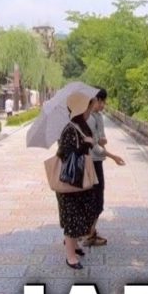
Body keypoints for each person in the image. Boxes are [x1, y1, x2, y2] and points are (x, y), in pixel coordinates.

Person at [55, 91, 100, 270]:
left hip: (78, 180)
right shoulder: (70, 128)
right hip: (70, 180)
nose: (92, 109)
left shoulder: (79, 125)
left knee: (79, 214)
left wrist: (87, 142)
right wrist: (86, 145)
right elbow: (65, 152)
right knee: (71, 216)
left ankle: (74, 246)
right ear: (83, 108)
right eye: (90, 105)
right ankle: (70, 256)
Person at [83, 88, 126, 247]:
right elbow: (93, 145)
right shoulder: (88, 119)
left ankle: (90, 231)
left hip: (96, 160)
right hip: (92, 161)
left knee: (94, 197)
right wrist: (113, 156)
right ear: (95, 100)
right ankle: (89, 234)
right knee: (96, 199)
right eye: (102, 101)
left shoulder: (97, 117)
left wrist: (102, 140)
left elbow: (98, 139)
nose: (103, 105)